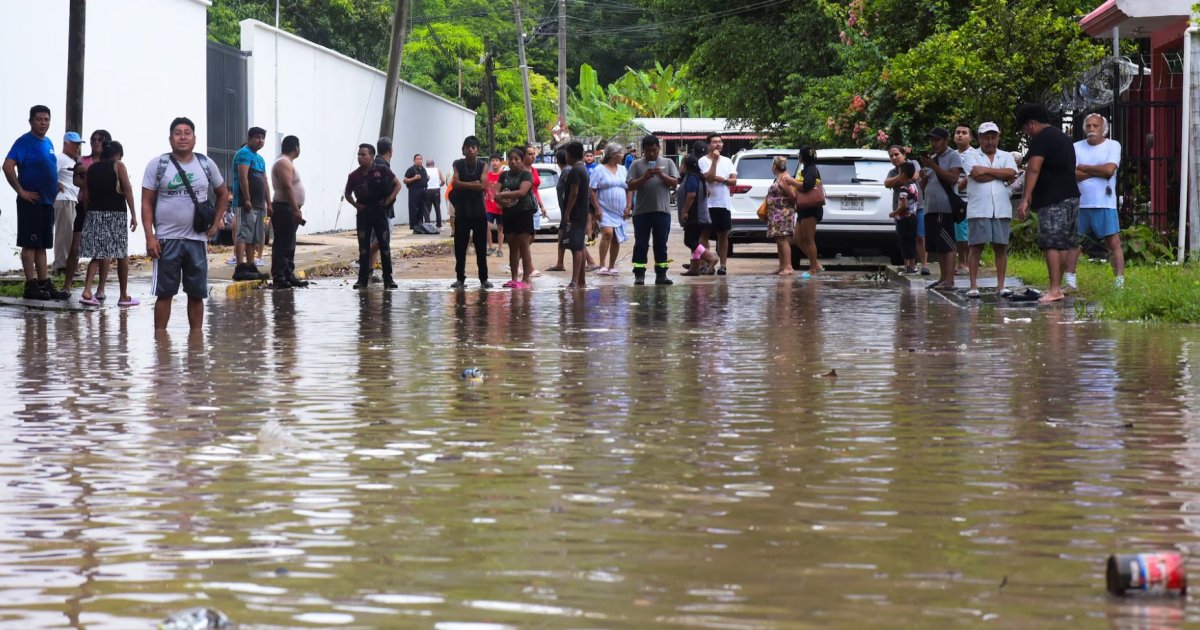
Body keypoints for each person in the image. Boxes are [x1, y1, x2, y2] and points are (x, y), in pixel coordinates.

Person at [142, 117, 230, 330]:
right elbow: (146, 202)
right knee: (164, 294)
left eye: (187, 132)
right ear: (170, 138)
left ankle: (196, 344)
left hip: (196, 240)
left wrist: (216, 222)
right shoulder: (158, 164)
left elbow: (223, 193)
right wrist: (150, 237)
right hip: (165, 240)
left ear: (194, 138)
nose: (182, 137)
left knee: (197, 293)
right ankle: (160, 345)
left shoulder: (206, 164)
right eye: (178, 133)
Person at [1015, 103, 1081, 304]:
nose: (1026, 133)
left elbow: (1033, 169)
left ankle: (1054, 289)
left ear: (1032, 124)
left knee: (1052, 243)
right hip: (1071, 196)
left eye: (1025, 129)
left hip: (1053, 199)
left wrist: (1025, 198)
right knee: (1063, 243)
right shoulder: (1062, 137)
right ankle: (1057, 287)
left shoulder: (1041, 139)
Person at [4, 105, 68, 300]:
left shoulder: (48, 142)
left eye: (46, 119)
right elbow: (7, 166)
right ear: (31, 121)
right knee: (29, 244)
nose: (43, 123)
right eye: (39, 119)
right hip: (31, 202)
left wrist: (53, 183)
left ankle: (43, 284)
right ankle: (30, 286)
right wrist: (22, 191)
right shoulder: (24, 142)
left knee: (42, 245)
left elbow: (44, 167)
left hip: (47, 202)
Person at [961, 122, 1018, 298]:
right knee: (975, 247)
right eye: (986, 137)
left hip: (1001, 208)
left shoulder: (1007, 155)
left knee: (1000, 247)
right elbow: (976, 175)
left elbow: (1011, 173)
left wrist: (988, 172)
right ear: (979, 138)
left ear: (998, 137)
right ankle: (973, 286)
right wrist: (1000, 174)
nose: (990, 141)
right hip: (979, 208)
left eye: (993, 137)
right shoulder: (970, 155)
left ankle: (1001, 286)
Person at [79, 140, 138, 306]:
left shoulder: (91, 169)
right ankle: (123, 296)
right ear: (119, 154)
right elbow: (127, 190)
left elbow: (86, 195)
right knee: (121, 255)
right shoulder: (119, 166)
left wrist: (87, 215)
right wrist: (133, 214)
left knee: (97, 254)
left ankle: (87, 290)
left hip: (94, 214)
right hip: (115, 215)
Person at [1069, 113, 1124, 289]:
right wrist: (1096, 171)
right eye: (1088, 126)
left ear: (1103, 129)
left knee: (1113, 243)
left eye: (1096, 126)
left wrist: (1084, 168)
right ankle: (1070, 282)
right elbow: (1071, 174)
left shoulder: (1113, 145)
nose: (1091, 129)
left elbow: (1109, 170)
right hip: (1081, 203)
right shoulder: (1076, 147)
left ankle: (1119, 283)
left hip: (1105, 203)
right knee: (1075, 243)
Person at [61, 129, 113, 296]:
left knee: (104, 249)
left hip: (105, 207)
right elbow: (76, 181)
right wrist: (93, 180)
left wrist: (88, 176)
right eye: (93, 139)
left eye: (100, 139)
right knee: (75, 247)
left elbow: (114, 183)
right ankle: (67, 285)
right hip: (85, 206)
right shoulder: (82, 160)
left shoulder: (111, 162)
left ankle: (101, 288)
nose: (96, 142)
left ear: (107, 143)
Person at [345, 143, 401, 290]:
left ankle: (388, 278)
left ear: (371, 156)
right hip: (363, 215)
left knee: (384, 246)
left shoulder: (382, 170)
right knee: (363, 248)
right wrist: (356, 206)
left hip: (380, 212)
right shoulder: (354, 175)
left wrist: (389, 200)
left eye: (363, 154)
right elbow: (347, 193)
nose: (360, 157)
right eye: (359, 155)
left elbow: (397, 185)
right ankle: (362, 279)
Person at [626, 134, 678, 285]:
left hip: (662, 211)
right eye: (648, 151)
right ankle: (639, 274)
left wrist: (661, 174)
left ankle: (661, 274)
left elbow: (675, 183)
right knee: (641, 244)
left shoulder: (668, 163)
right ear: (643, 151)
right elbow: (630, 186)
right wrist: (644, 177)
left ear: (659, 149)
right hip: (642, 213)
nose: (651, 154)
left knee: (661, 243)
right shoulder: (636, 164)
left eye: (654, 150)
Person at [918, 128, 963, 290]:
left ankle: (950, 281)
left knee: (948, 245)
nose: (933, 143)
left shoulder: (953, 156)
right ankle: (943, 278)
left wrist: (933, 166)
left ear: (946, 140)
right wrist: (923, 176)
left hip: (945, 208)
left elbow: (953, 178)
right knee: (938, 246)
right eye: (932, 140)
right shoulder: (932, 159)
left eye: (936, 140)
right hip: (931, 207)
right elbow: (924, 186)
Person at [448, 136, 491, 289]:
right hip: (462, 212)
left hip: (479, 212)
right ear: (463, 150)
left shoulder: (483, 165)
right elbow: (455, 184)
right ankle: (460, 278)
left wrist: (463, 184)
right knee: (460, 247)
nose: (471, 149)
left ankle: (484, 279)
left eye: (473, 147)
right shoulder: (457, 164)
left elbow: (482, 186)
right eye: (468, 147)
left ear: (478, 150)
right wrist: (474, 183)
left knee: (481, 248)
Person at [232, 127, 271, 281]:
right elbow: (243, 178)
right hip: (245, 203)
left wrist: (269, 203)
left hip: (259, 204)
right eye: (257, 137)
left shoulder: (260, 159)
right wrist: (247, 199)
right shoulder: (243, 154)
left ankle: (251, 266)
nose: (260, 140)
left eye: (262, 137)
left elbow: (265, 182)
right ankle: (240, 267)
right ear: (249, 138)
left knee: (255, 237)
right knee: (244, 235)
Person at [494, 147, 536, 288]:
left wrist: (503, 196)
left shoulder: (526, 174)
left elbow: (522, 192)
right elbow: (496, 193)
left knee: (524, 245)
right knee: (512, 246)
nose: (513, 162)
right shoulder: (503, 175)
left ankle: (526, 278)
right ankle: (514, 278)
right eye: (511, 159)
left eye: (516, 159)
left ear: (522, 160)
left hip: (524, 212)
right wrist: (500, 200)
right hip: (508, 213)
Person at [270, 134, 307, 288]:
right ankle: (279, 277)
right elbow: (287, 187)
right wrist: (295, 209)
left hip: (288, 208)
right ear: (296, 148)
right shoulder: (284, 163)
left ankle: (288, 274)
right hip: (285, 208)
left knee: (289, 243)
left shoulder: (285, 162)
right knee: (283, 244)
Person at [885, 145, 928, 275]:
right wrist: (901, 176)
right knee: (903, 238)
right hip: (900, 211)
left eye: (897, 154)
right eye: (891, 156)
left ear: (904, 154)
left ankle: (924, 265)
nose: (894, 158)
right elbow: (887, 183)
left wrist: (902, 175)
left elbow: (915, 176)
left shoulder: (913, 164)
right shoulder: (894, 171)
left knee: (920, 236)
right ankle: (908, 265)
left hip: (917, 208)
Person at [698, 133, 737, 275]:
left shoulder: (727, 161)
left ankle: (723, 265)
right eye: (714, 142)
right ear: (709, 145)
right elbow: (707, 178)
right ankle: (705, 263)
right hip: (708, 204)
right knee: (704, 234)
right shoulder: (703, 160)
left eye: (720, 142)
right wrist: (714, 161)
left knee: (723, 235)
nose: (717, 144)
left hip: (723, 203)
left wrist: (723, 180)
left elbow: (733, 181)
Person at [590, 142, 629, 275]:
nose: (622, 155)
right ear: (613, 154)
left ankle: (612, 265)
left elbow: (629, 189)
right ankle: (602, 265)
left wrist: (628, 206)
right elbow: (592, 189)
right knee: (607, 233)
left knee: (616, 237)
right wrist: (597, 208)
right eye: (620, 153)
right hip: (604, 208)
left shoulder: (623, 170)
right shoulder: (599, 170)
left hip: (619, 210)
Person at [678, 154, 719, 276]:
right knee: (694, 241)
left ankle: (710, 258)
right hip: (700, 214)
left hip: (694, 215)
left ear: (685, 165)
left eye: (682, 164)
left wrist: (685, 210)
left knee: (689, 241)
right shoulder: (698, 177)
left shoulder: (692, 177)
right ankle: (694, 268)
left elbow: (691, 195)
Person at [52, 132, 84, 276]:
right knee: (64, 234)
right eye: (74, 144)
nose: (77, 147)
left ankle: (67, 265)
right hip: (64, 199)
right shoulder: (60, 158)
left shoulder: (72, 161)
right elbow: (50, 172)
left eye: (78, 144)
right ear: (65, 143)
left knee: (70, 234)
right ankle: (60, 265)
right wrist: (56, 183)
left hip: (72, 199)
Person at [559, 141, 591, 289]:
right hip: (582, 212)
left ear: (569, 155)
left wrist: (567, 213)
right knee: (580, 245)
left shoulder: (575, 171)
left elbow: (574, 193)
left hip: (576, 214)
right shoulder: (583, 169)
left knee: (576, 247)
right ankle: (581, 280)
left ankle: (574, 280)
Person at [765, 155, 802, 275]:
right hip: (777, 213)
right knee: (779, 239)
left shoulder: (785, 178)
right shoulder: (779, 178)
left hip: (783, 213)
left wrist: (784, 208)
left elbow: (792, 196)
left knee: (783, 239)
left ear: (775, 166)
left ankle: (788, 266)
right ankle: (782, 266)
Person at [794, 145, 825, 278]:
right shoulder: (806, 168)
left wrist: (791, 182)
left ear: (803, 156)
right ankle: (816, 264)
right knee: (797, 239)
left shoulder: (811, 169)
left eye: (799, 154)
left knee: (809, 240)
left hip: (811, 209)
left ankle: (813, 269)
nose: (798, 157)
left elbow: (807, 186)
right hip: (803, 209)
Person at [889, 162, 922, 274]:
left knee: (904, 242)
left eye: (899, 173)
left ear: (902, 174)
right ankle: (913, 266)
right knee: (911, 241)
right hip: (913, 217)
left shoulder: (903, 188)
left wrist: (894, 213)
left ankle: (909, 267)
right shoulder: (914, 186)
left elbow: (904, 205)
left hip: (904, 219)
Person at [952, 123, 975, 275]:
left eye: (964, 133)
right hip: (954, 199)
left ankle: (966, 263)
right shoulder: (952, 154)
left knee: (965, 233)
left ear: (971, 138)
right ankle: (961, 263)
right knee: (958, 233)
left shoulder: (973, 154)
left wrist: (956, 188)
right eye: (957, 132)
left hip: (967, 199)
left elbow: (970, 175)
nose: (960, 135)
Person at [485, 153, 505, 257]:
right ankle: (491, 246)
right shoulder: (487, 175)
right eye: (492, 160)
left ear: (500, 162)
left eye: (497, 160)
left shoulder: (503, 175)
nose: (494, 162)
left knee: (500, 228)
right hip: (489, 206)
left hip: (500, 207)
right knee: (486, 226)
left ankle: (500, 249)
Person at [403, 154, 429, 234]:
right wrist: (414, 178)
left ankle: (420, 225)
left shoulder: (423, 169)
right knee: (414, 210)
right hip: (414, 192)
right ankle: (414, 227)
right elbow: (405, 180)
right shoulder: (411, 169)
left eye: (421, 159)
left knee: (421, 209)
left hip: (423, 192)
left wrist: (427, 178)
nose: (419, 160)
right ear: (414, 161)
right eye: (417, 159)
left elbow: (424, 179)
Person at [425, 158, 444, 230]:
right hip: (436, 190)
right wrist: (439, 185)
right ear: (433, 164)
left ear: (426, 164)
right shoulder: (437, 170)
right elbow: (443, 181)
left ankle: (428, 224)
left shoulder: (424, 170)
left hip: (427, 190)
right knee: (437, 208)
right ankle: (439, 224)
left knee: (427, 208)